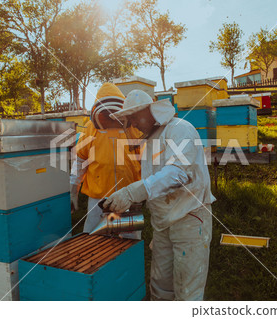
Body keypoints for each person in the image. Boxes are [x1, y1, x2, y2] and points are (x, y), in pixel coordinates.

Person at [103, 90, 215, 301]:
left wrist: (134, 192)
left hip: (189, 218)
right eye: (130, 119)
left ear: (150, 110)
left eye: (135, 117)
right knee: (160, 287)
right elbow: (156, 181)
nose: (133, 124)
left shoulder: (180, 129)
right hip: (163, 222)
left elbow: (179, 173)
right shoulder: (150, 141)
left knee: (187, 290)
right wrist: (136, 202)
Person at [70, 83, 141, 239]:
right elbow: (80, 161)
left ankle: (127, 262)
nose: (111, 116)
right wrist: (73, 191)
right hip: (98, 198)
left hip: (127, 195)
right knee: (94, 239)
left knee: (128, 241)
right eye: (107, 113)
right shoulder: (90, 129)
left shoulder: (133, 128)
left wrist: (141, 192)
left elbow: (145, 161)